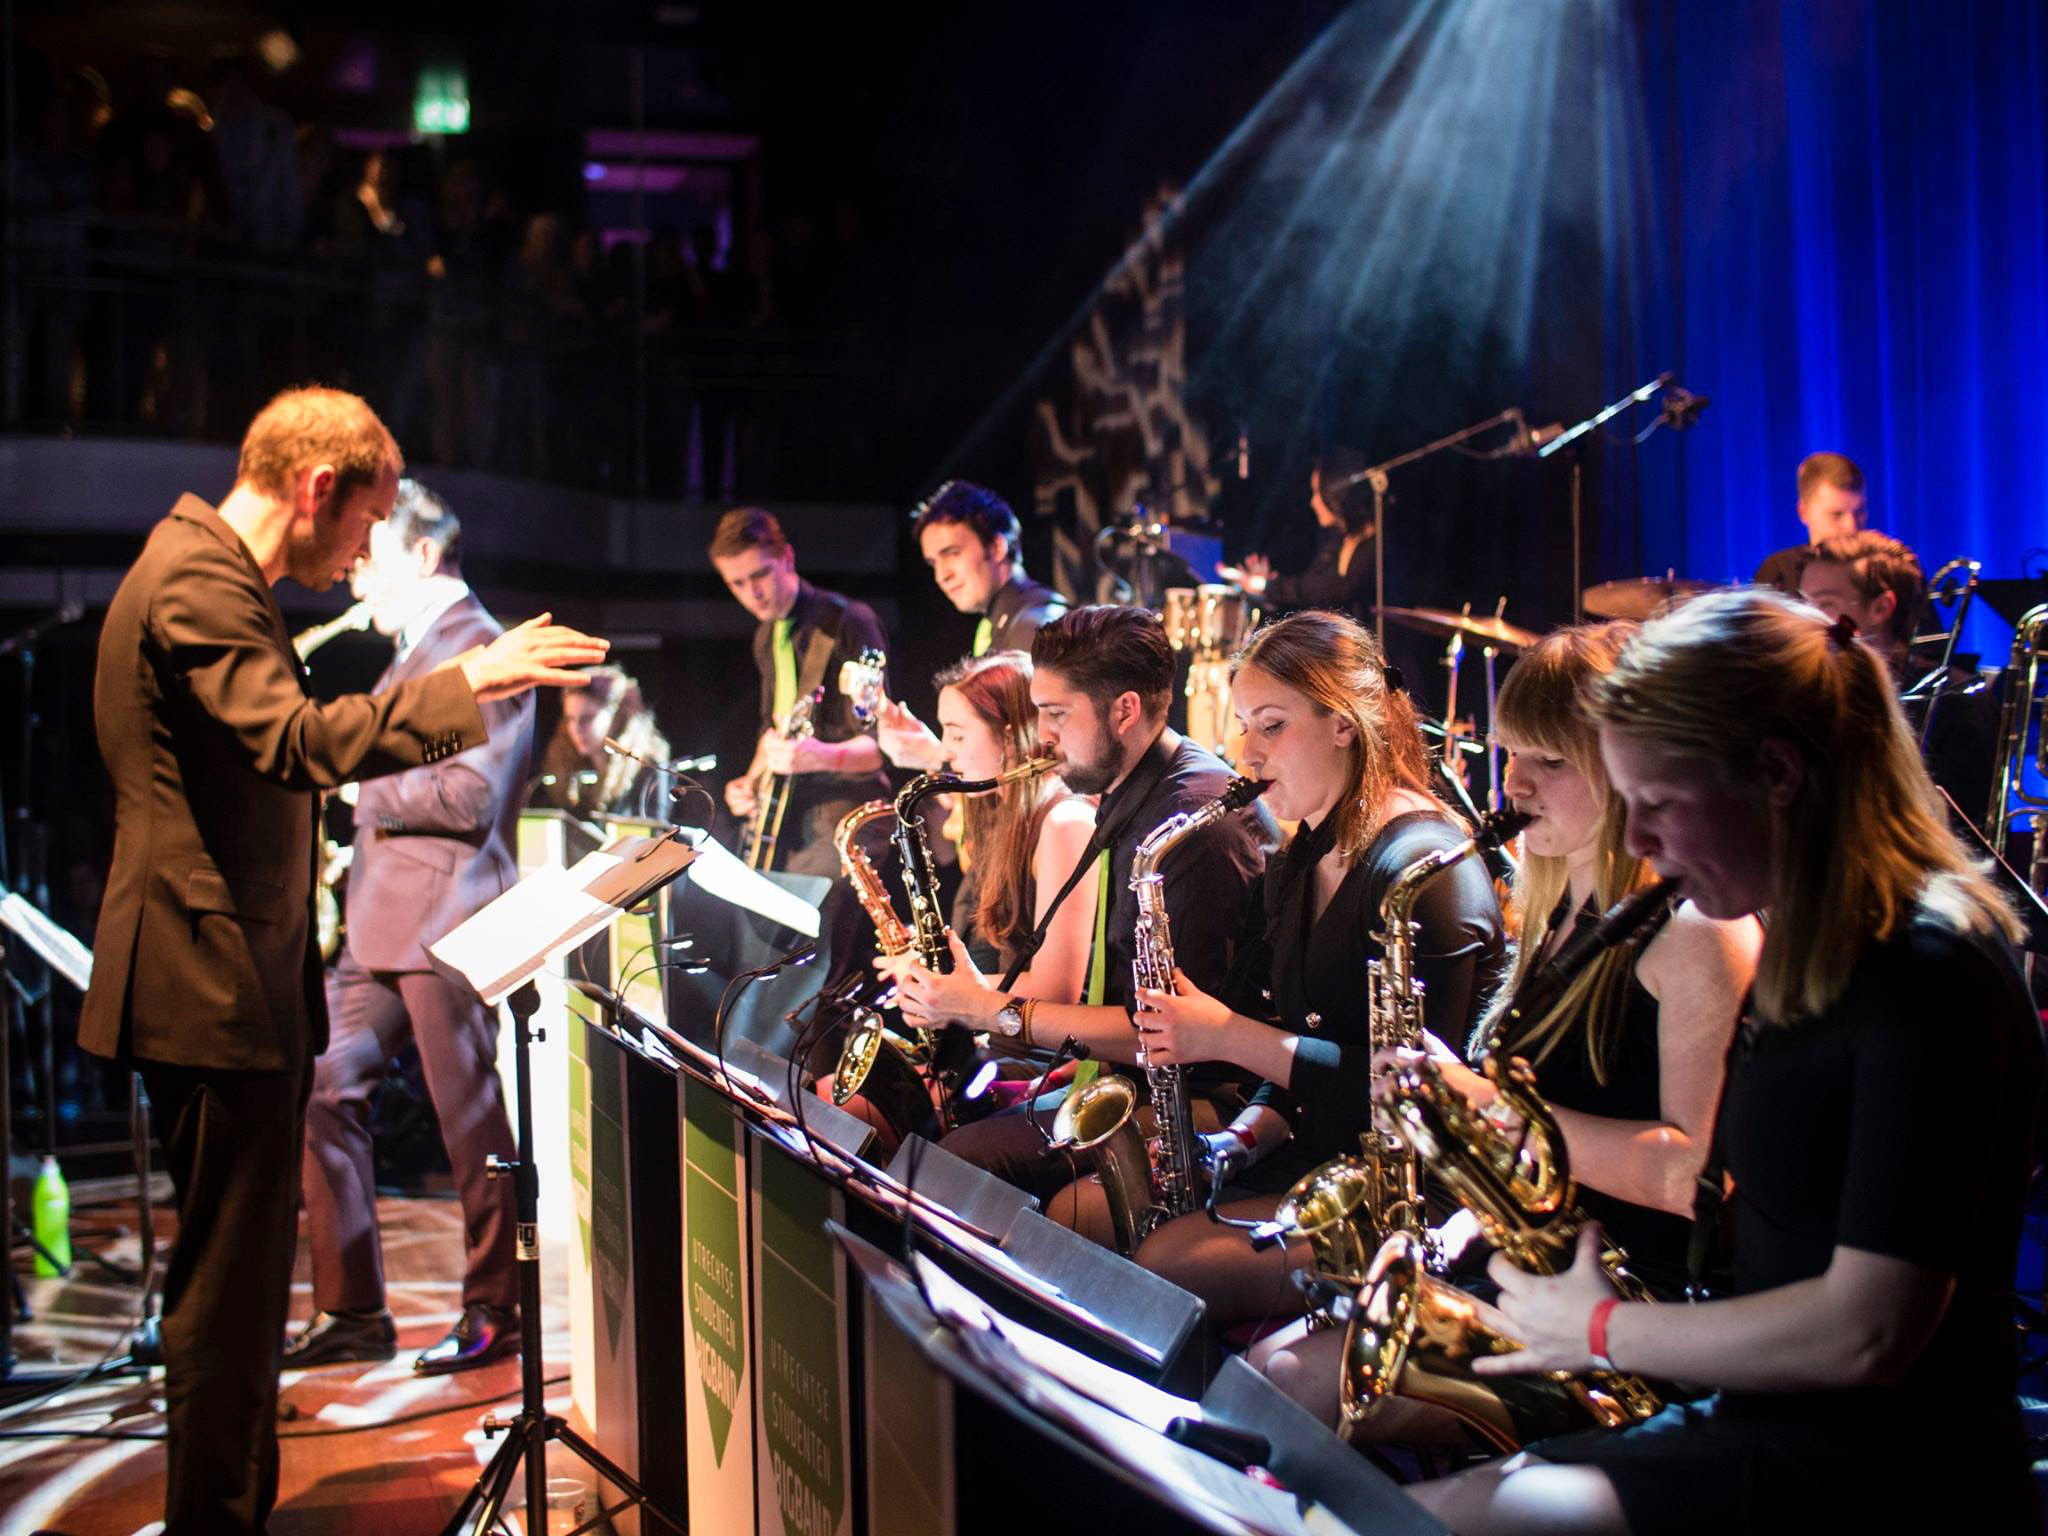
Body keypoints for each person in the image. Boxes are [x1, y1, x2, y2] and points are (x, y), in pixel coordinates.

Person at [80, 387, 606, 1536]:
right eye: (366, 519)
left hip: (218, 976)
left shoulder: (202, 568)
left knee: (240, 1286)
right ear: (319, 489)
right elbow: (293, 742)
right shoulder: (200, 576)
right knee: (227, 1299)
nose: (368, 547)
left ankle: (234, 1505)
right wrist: (471, 681)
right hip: (208, 986)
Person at [1405, 588, 2041, 1535]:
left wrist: (1599, 1330)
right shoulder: (1813, 942)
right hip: (1772, 1422)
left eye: (1659, 802)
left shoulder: (1923, 968)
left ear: (1777, 772)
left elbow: (1867, 1332)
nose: (1637, 842)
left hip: (1887, 1473)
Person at [1249, 622, 1760, 1421]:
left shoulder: (1697, 932)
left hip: (1633, 1314)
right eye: (1509, 752)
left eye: (1549, 762)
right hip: (1531, 1269)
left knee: (1283, 1380)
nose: (1513, 785)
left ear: (1630, 764)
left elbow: (1690, 1177)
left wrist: (1477, 1104)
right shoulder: (1558, 907)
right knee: (1271, 1373)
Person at [1120, 608, 1511, 1328]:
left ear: (1344, 722)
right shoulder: (1307, 849)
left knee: (1166, 1268)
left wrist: (1225, 1035)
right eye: (1243, 727)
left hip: (1420, 1194)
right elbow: (1308, 1040)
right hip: (1328, 1160)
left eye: (1272, 725)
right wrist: (1243, 1136)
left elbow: (1419, 1094)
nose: (1248, 754)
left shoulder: (1425, 868)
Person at [926, 605, 1277, 1244]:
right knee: (952, 1152)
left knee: (960, 1168)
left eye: (1057, 714)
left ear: (1124, 710)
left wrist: (993, 1013)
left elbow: (1170, 1036)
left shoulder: (1192, 826)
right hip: (1127, 1082)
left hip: (1204, 1103)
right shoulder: (1135, 794)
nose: (1042, 734)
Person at [289, 479, 535, 1375]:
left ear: (426, 554)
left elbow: (471, 796)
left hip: (449, 912)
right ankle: (353, 1310)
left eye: (371, 558)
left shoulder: (484, 648)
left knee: (470, 1125)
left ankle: (495, 1307)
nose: (355, 579)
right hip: (381, 922)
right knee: (321, 1082)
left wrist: (356, 778)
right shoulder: (418, 650)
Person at [834, 651, 1097, 1147]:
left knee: (857, 1116)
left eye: (957, 735)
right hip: (987, 1036)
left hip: (1041, 1057)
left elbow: (1059, 992)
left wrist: (948, 994)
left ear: (1011, 735)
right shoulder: (994, 814)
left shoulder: (1064, 823)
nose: (947, 753)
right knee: (833, 1097)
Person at [712, 506, 890, 877]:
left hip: (848, 810)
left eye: (760, 574)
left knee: (812, 925)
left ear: (787, 558)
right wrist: (750, 780)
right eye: (737, 584)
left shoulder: (849, 622)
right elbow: (773, 729)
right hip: (792, 814)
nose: (753, 594)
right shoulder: (766, 637)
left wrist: (817, 756)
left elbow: (878, 748)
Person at [1796, 528, 1999, 824]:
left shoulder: (1954, 702)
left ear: (1881, 607)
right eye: (1803, 603)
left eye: (1824, 604)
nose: (1805, 619)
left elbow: (1967, 834)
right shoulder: (1809, 695)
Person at [877, 481, 1068, 773]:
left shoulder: (1036, 625)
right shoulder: (1003, 620)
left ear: (996, 546)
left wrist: (937, 756)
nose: (942, 575)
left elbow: (1039, 756)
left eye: (952, 553)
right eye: (933, 563)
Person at [1218, 453, 1378, 620]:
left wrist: (1265, 585)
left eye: (1318, 493)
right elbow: (1311, 586)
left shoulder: (1375, 545)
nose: (1313, 502)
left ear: (1337, 493)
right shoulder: (1337, 539)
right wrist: (1266, 587)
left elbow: (1330, 591)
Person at [534, 663, 671, 818]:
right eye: (570, 719)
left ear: (616, 717)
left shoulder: (648, 769)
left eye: (586, 718)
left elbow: (654, 833)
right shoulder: (565, 768)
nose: (576, 728)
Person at [1750, 450, 1867, 593]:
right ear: (1803, 512)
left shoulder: (1883, 572)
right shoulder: (1779, 573)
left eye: (1859, 512)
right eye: (1836, 514)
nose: (1852, 527)